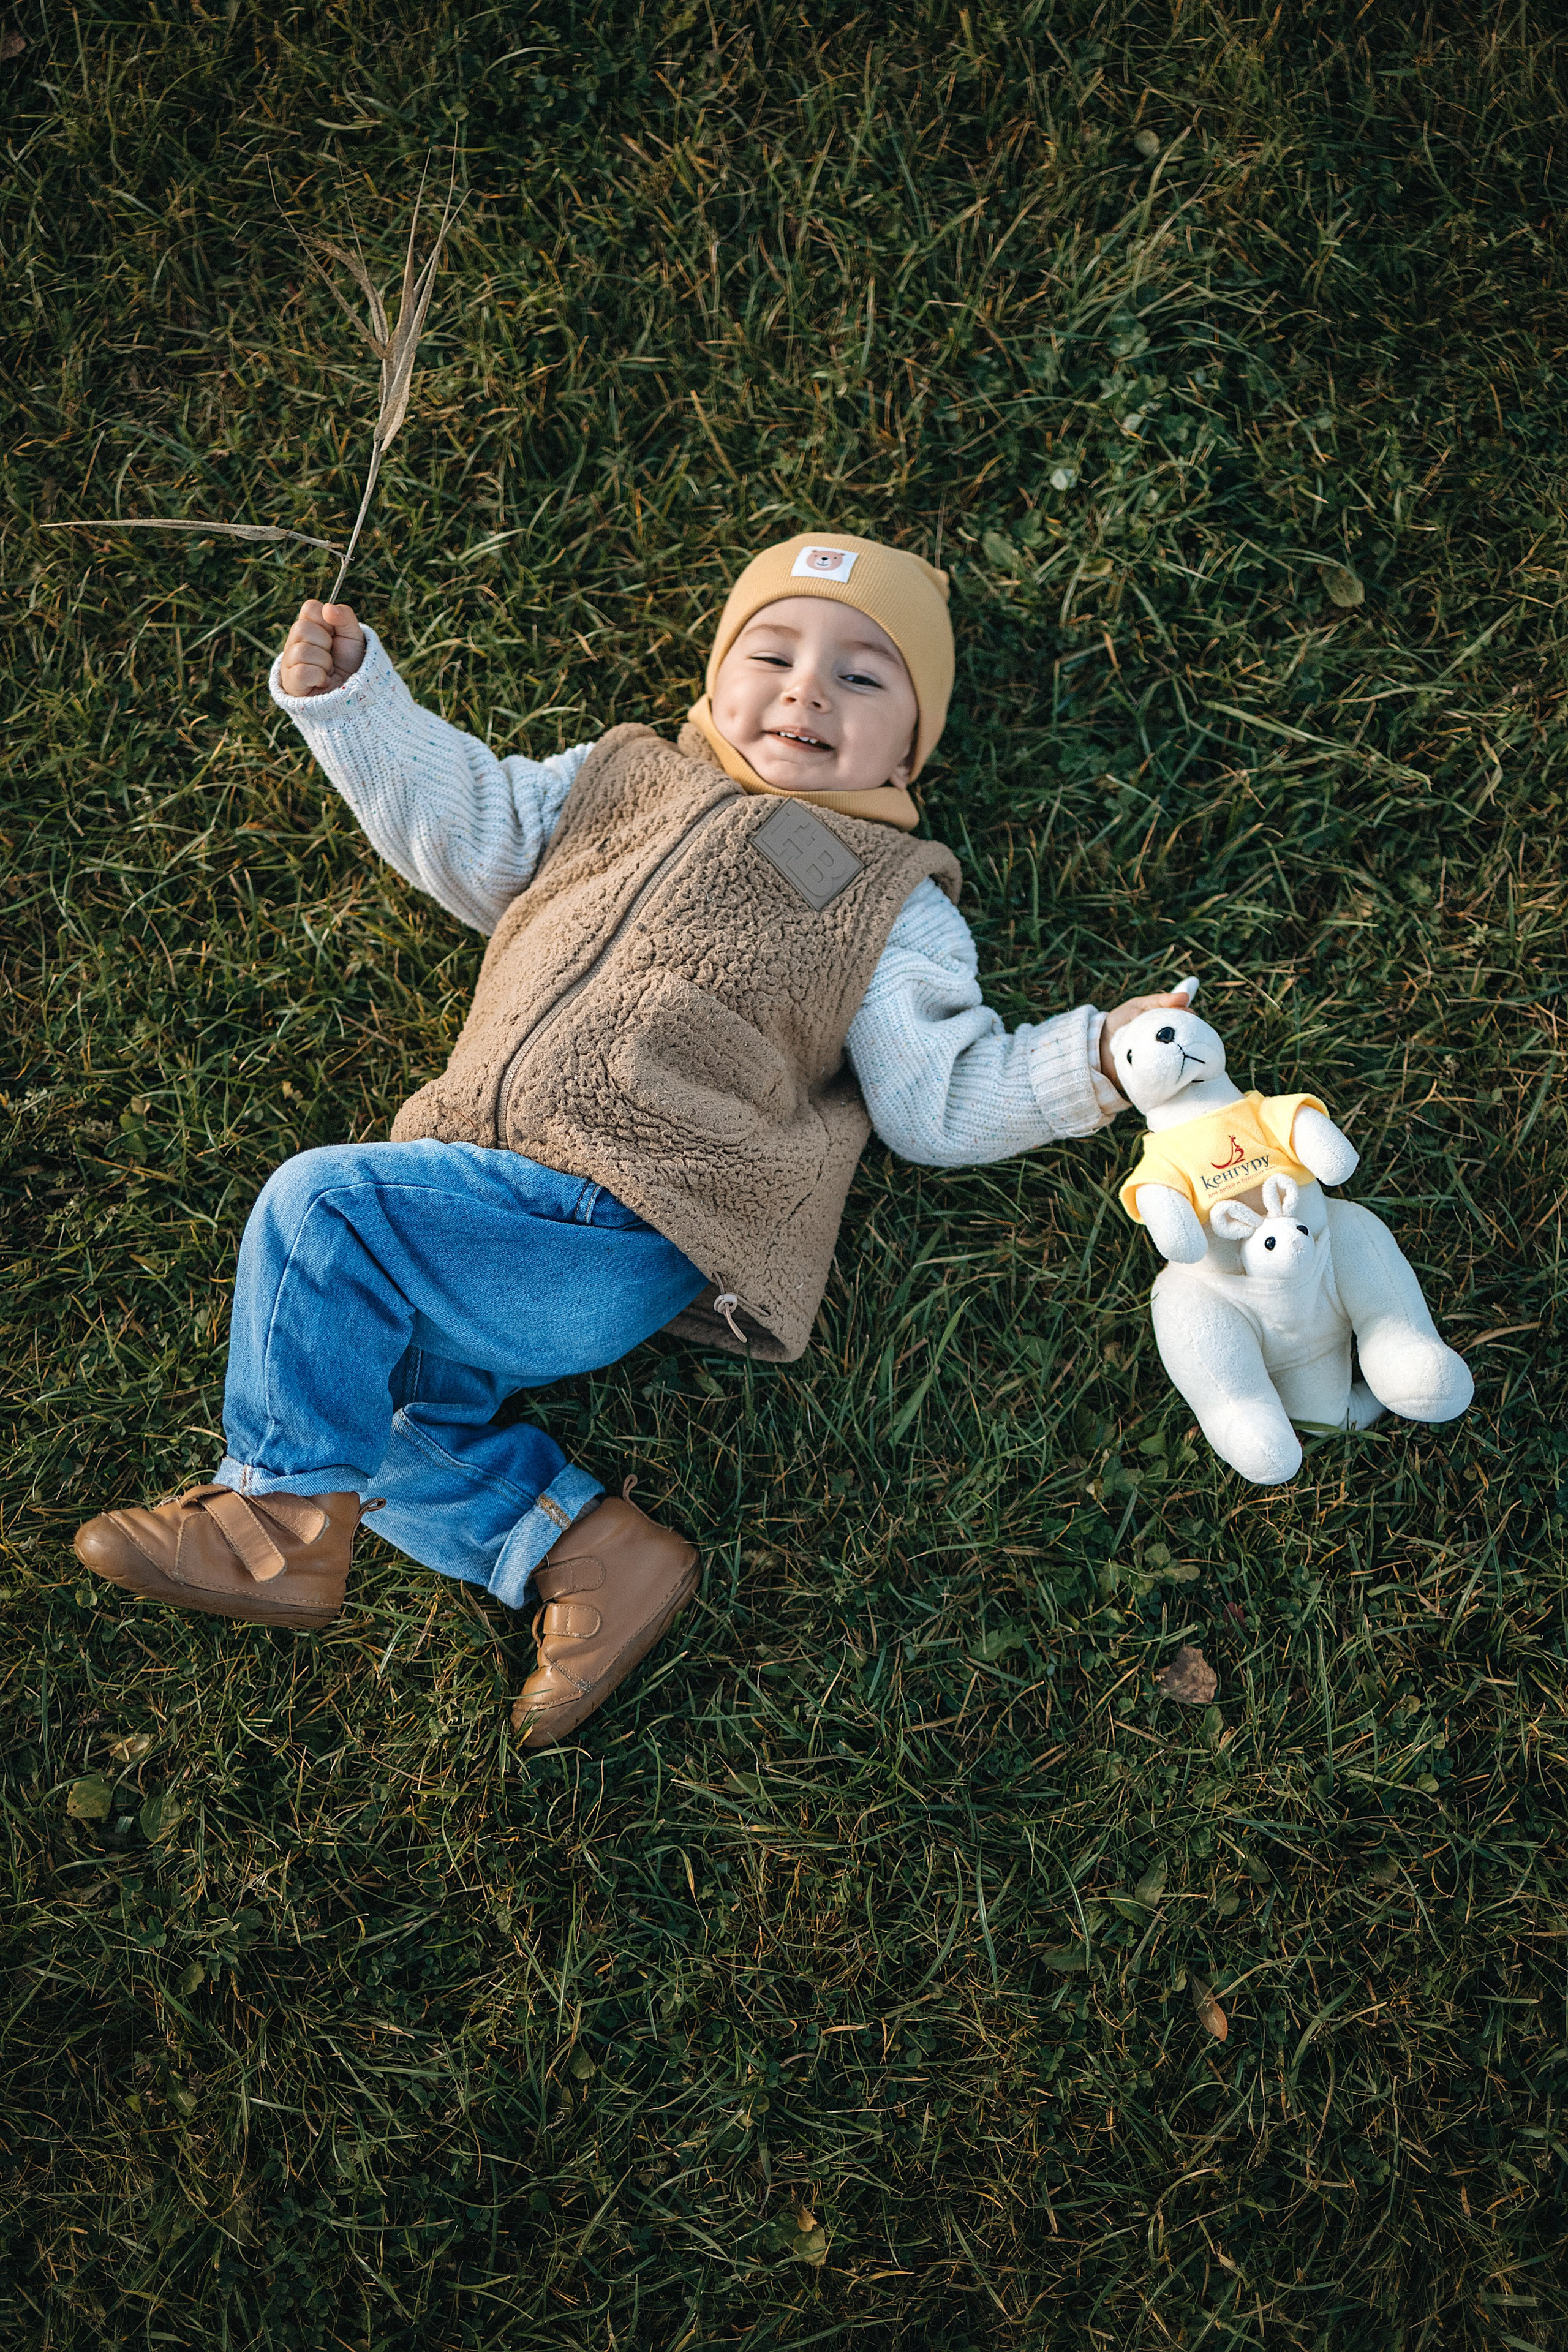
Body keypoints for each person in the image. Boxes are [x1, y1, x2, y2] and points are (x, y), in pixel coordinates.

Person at [74, 532, 1187, 1747]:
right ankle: (581, 1551)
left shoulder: (882, 894)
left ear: (910, 747)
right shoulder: (616, 783)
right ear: (712, 683)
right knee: (367, 1398)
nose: (807, 689)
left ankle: (275, 1520)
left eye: (863, 679)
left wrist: (1089, 1059)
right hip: (487, 1210)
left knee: (321, 1209)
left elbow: (937, 1096)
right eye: (771, 653)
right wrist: (355, 706)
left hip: (629, 1212)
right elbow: (472, 827)